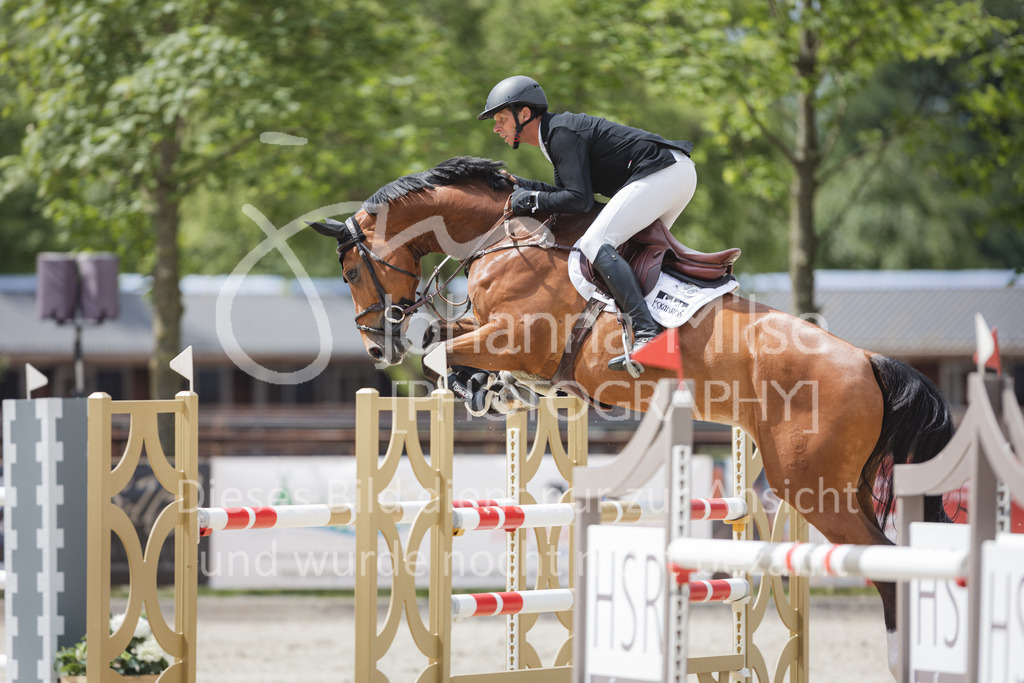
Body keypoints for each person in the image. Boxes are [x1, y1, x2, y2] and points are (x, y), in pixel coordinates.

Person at [478, 75, 697, 373]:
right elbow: (568, 196)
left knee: (595, 243)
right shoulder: (554, 135)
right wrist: (524, 187)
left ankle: (648, 335)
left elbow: (579, 201)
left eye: (502, 118)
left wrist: (530, 200)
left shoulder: (560, 134)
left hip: (663, 172)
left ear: (525, 114)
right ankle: (667, 331)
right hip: (674, 173)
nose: (496, 127)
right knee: (634, 252)